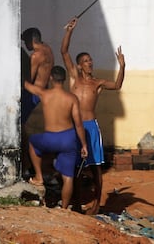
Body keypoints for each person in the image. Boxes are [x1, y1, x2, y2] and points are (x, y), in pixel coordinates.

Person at [61, 17, 125, 214]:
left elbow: (116, 85)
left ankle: (97, 204)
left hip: (90, 127)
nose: (90, 63)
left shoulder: (97, 83)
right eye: (86, 61)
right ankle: (78, 202)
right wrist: (70, 30)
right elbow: (64, 52)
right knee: (75, 166)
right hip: (73, 126)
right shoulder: (74, 77)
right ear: (79, 66)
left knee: (96, 167)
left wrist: (122, 67)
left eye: (91, 60)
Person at [24, 66, 88, 209]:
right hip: (68, 139)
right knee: (68, 177)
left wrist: (25, 75)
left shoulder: (44, 94)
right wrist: (84, 145)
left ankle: (39, 176)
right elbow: (78, 124)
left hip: (50, 139)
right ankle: (64, 209)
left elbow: (27, 86)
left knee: (33, 142)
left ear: (51, 78)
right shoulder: (72, 98)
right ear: (64, 79)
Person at [20, 28, 54, 179]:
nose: (25, 44)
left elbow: (30, 79)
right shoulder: (48, 48)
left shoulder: (36, 56)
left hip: (33, 94)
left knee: (20, 128)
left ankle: (27, 166)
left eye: (25, 41)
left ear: (31, 40)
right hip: (44, 92)